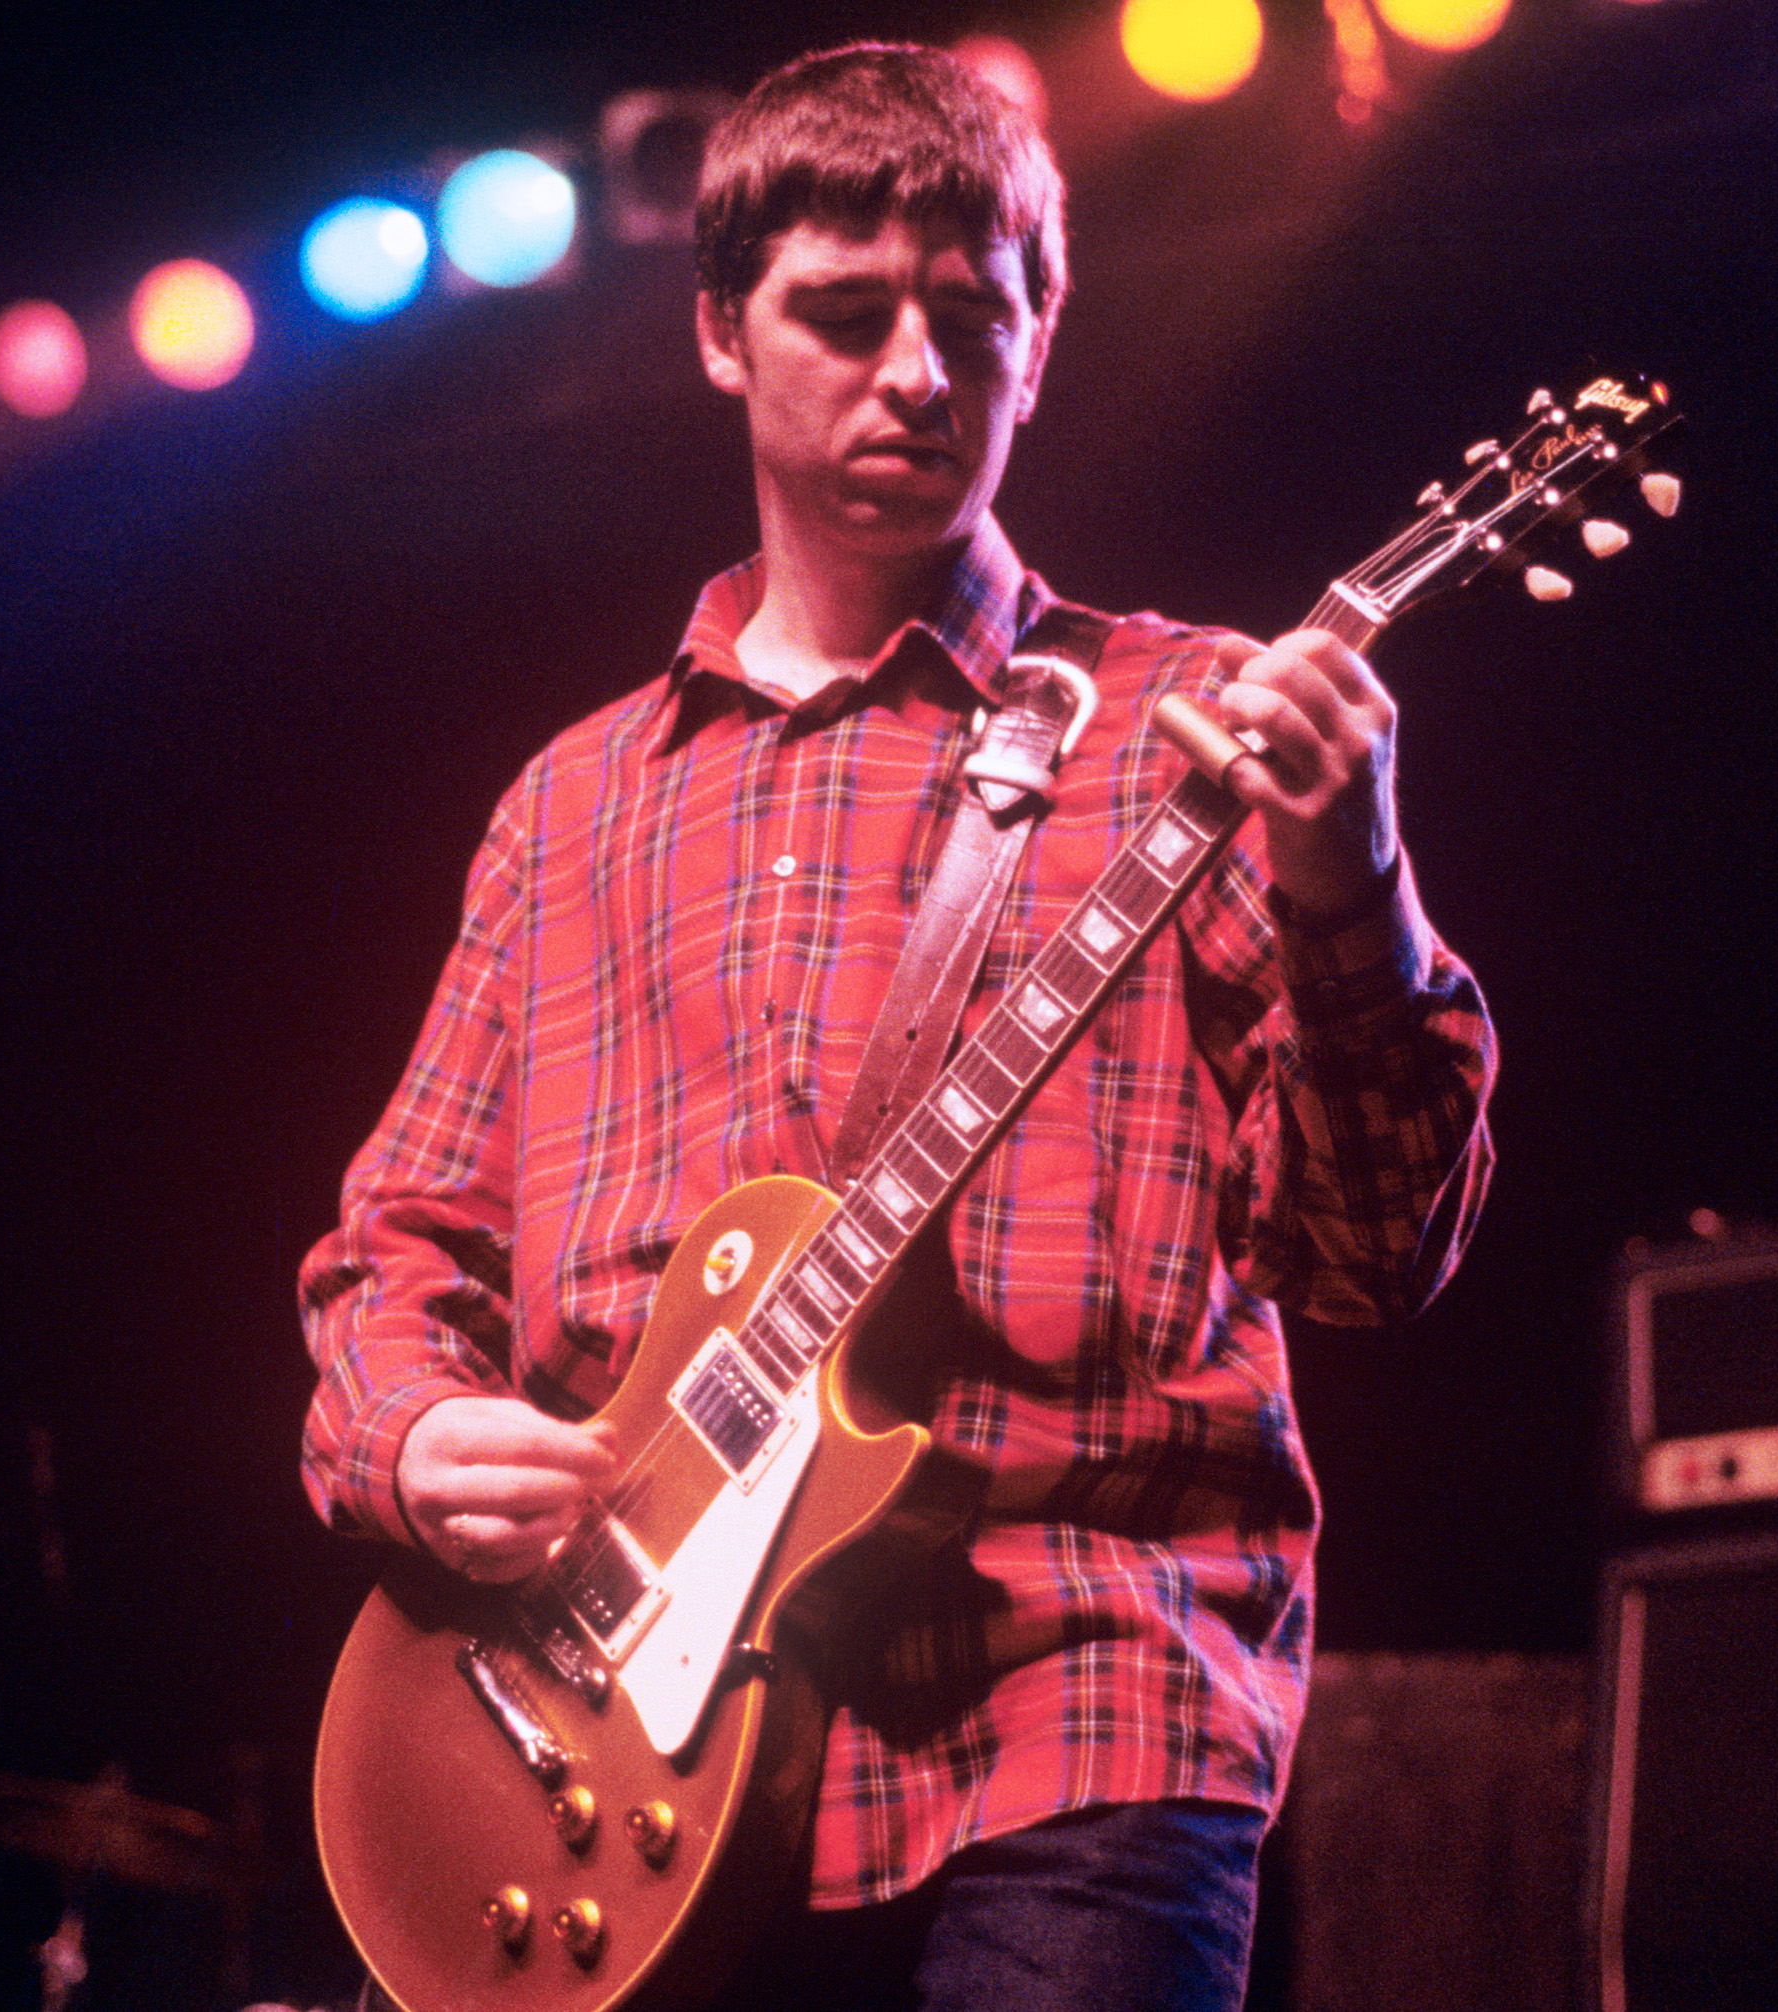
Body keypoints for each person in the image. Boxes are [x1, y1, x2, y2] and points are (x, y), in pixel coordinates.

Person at [298, 41, 1494, 2012]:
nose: (918, 375)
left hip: (1074, 1700)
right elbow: (393, 1251)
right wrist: (420, 1442)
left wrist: (1350, 888)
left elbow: (1375, 1252)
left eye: (975, 316)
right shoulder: (574, 804)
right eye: (845, 317)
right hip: (613, 1756)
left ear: (1044, 334)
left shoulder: (1178, 737)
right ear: (716, 333)